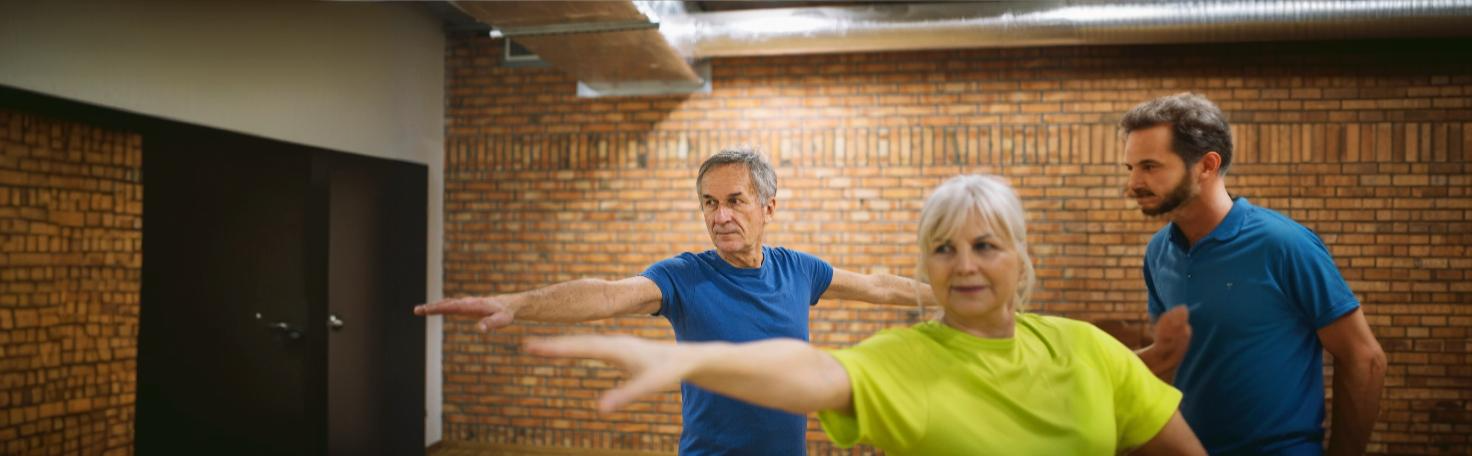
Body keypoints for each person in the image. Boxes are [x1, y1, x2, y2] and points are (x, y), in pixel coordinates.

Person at [525, 174, 1207, 455]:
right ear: (929, 263)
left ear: (1020, 259)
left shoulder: (1083, 347)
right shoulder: (897, 360)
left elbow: (876, 286)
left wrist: (1145, 363)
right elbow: (805, 368)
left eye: (985, 247)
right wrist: (688, 358)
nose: (965, 265)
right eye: (944, 250)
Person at [415, 147, 936, 456]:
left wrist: (967, 300)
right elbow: (609, 294)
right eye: (710, 203)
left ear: (768, 207)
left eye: (735, 201)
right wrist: (518, 302)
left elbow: (878, 286)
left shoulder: (800, 269)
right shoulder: (684, 276)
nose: (720, 216)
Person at [1120, 93, 1387, 455]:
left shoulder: (1284, 244)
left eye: (1149, 166)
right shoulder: (1158, 252)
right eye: (1130, 167)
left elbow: (1364, 357)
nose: (1133, 182)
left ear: (1206, 165)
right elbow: (1173, 358)